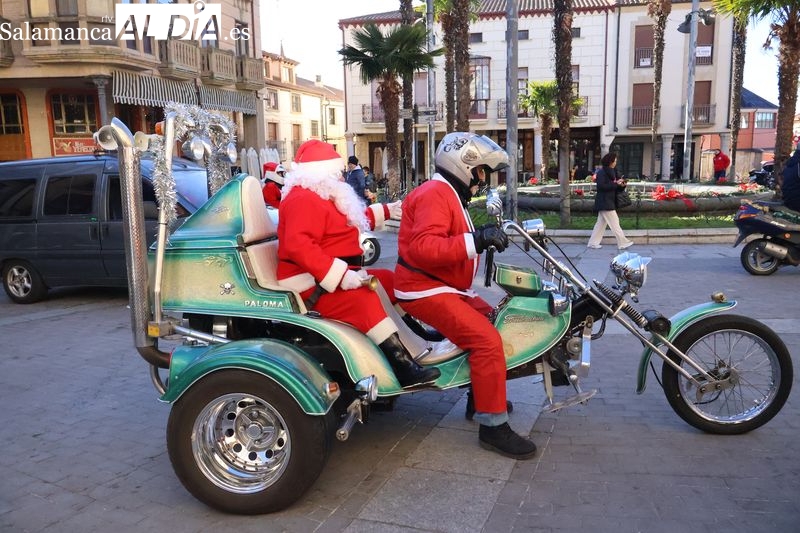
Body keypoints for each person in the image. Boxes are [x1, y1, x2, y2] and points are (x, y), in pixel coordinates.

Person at [394, 132, 537, 460]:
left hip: (445, 287)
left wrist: (481, 236)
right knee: (486, 340)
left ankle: (480, 398)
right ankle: (493, 427)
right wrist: (477, 240)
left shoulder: (445, 192)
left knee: (496, 322)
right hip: (424, 289)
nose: (482, 179)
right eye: (481, 171)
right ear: (464, 166)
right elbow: (425, 247)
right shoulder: (435, 193)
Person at [277, 139, 440, 388]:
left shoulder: (322, 193)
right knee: (364, 298)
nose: (340, 175)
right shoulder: (302, 199)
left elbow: (348, 221)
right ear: (319, 172)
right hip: (311, 282)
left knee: (389, 280)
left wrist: (386, 210)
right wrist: (341, 276)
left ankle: (415, 337)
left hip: (337, 273)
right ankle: (401, 365)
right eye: (335, 170)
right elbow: (298, 246)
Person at [587, 152, 634, 250]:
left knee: (600, 224)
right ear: (610, 162)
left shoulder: (614, 172)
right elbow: (601, 187)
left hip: (609, 201)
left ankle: (592, 243)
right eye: (614, 161)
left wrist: (622, 185)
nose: (615, 163)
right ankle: (623, 242)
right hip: (605, 201)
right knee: (615, 223)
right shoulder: (601, 173)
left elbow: (615, 187)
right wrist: (616, 184)